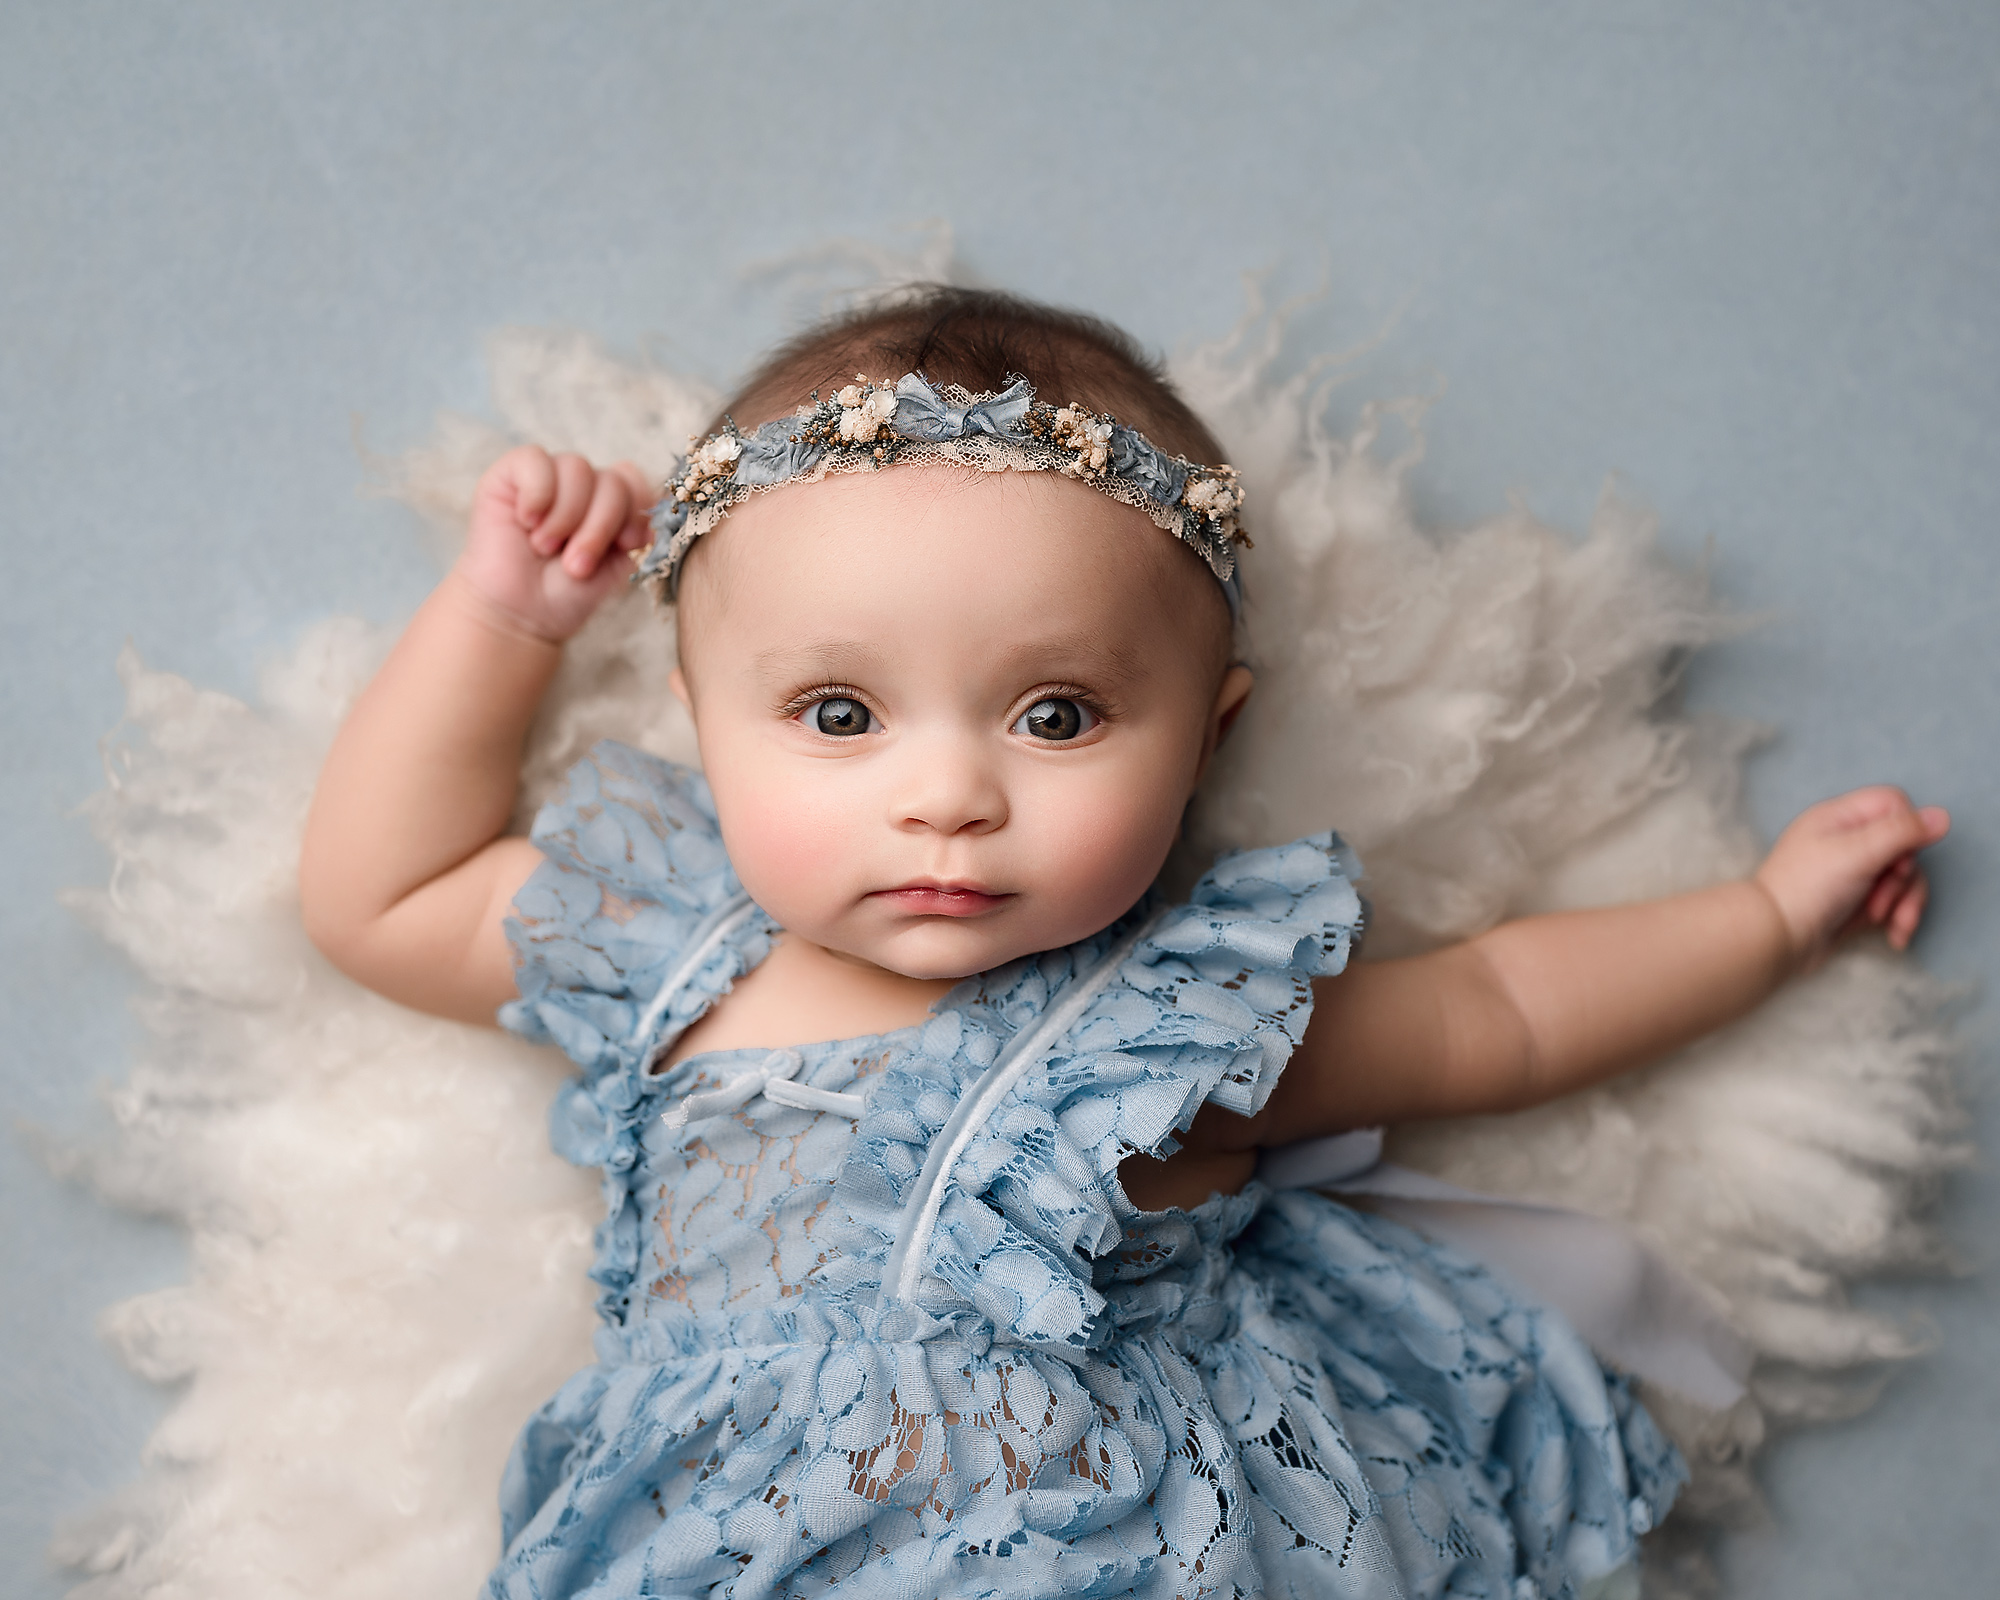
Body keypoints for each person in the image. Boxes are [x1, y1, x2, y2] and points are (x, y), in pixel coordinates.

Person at [297, 288, 1947, 1599]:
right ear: (700, 725)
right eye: (838, 712)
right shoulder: (667, 950)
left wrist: (1764, 917)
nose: (947, 794)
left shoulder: (1168, 1026)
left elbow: (1498, 1013)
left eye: (1058, 713)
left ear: (1209, 737)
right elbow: (384, 896)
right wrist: (501, 623)